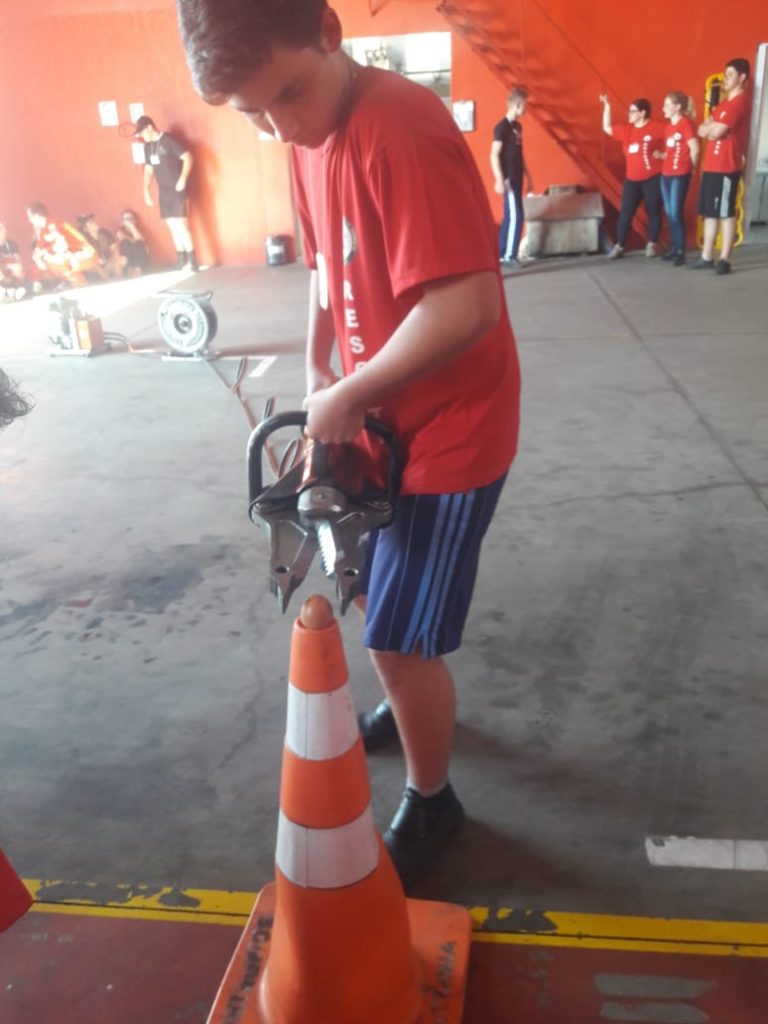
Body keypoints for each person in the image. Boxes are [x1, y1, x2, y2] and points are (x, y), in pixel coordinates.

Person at [177, 0, 521, 880]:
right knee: (370, 588)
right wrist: (319, 369)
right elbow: (327, 272)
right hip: (375, 421)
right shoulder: (308, 138)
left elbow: (466, 305)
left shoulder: (398, 129)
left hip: (449, 433)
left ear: (330, 33)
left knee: (398, 640)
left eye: (290, 93)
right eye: (254, 114)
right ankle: (411, 705)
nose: (281, 126)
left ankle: (434, 799)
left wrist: (353, 390)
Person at [690, 58, 751, 275]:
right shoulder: (724, 104)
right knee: (710, 213)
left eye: (731, 75)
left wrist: (712, 128)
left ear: (742, 78)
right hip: (712, 165)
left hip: (727, 166)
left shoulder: (740, 102)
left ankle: (725, 259)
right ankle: (706, 256)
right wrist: (711, 128)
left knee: (726, 212)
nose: (726, 79)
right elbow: (701, 130)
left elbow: (715, 132)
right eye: (725, 75)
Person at [600, 94, 664, 258]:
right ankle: (619, 245)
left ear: (642, 113)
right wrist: (607, 106)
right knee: (626, 212)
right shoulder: (627, 130)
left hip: (652, 177)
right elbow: (607, 128)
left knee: (653, 211)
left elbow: (676, 138)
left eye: (632, 111)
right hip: (632, 179)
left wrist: (665, 155)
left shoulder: (656, 127)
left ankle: (652, 244)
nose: (629, 114)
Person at [131, 115, 197, 270]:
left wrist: (183, 179)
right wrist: (146, 191)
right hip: (164, 192)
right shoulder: (148, 148)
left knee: (182, 225)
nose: (142, 137)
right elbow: (148, 171)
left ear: (149, 127)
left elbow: (188, 157)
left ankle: (193, 260)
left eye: (142, 133)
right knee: (172, 227)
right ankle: (181, 259)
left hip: (178, 190)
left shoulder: (168, 140)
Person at [490, 86, 533, 267]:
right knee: (517, 216)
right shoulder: (501, 128)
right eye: (525, 105)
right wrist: (499, 179)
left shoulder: (517, 127)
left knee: (511, 215)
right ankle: (509, 256)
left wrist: (529, 177)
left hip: (517, 177)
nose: (526, 109)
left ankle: (502, 254)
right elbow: (494, 155)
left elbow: (519, 154)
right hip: (508, 180)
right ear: (517, 104)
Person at [658, 92, 699, 266]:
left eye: (667, 105)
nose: (664, 109)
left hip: (680, 173)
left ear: (678, 107)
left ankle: (680, 250)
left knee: (675, 212)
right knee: (669, 212)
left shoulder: (685, 124)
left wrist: (692, 168)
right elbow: (672, 151)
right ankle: (674, 247)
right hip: (666, 173)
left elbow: (694, 148)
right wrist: (662, 155)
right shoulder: (669, 127)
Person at [27, 202, 98, 288]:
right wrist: (37, 256)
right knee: (42, 263)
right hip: (74, 256)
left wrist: (44, 252)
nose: (29, 221)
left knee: (53, 257)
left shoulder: (53, 223)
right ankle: (74, 283)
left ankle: (77, 283)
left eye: (30, 217)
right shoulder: (43, 230)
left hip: (85, 253)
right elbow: (39, 250)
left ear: (37, 216)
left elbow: (62, 245)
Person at [77, 214, 125, 280]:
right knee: (90, 268)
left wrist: (117, 262)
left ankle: (118, 279)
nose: (94, 222)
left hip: (109, 262)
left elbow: (114, 249)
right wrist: (99, 269)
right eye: (91, 222)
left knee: (121, 260)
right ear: (85, 229)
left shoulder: (104, 232)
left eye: (93, 220)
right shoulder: (83, 240)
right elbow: (87, 260)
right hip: (95, 266)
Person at [116, 210, 151, 277]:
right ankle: (130, 269)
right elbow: (123, 240)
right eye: (126, 219)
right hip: (128, 262)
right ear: (123, 221)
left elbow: (140, 241)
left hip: (142, 262)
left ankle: (138, 270)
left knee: (138, 243)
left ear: (134, 220)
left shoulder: (140, 230)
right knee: (125, 243)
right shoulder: (120, 231)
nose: (128, 221)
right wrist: (132, 240)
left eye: (130, 219)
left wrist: (131, 226)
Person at [0, 222, 29, 301]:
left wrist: (15, 266)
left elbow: (18, 260)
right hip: (3, 271)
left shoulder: (11, 244)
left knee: (18, 267)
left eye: (4, 229)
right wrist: (7, 266)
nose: (4, 232)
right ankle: (5, 291)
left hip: (10, 271)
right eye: (1, 230)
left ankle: (14, 290)